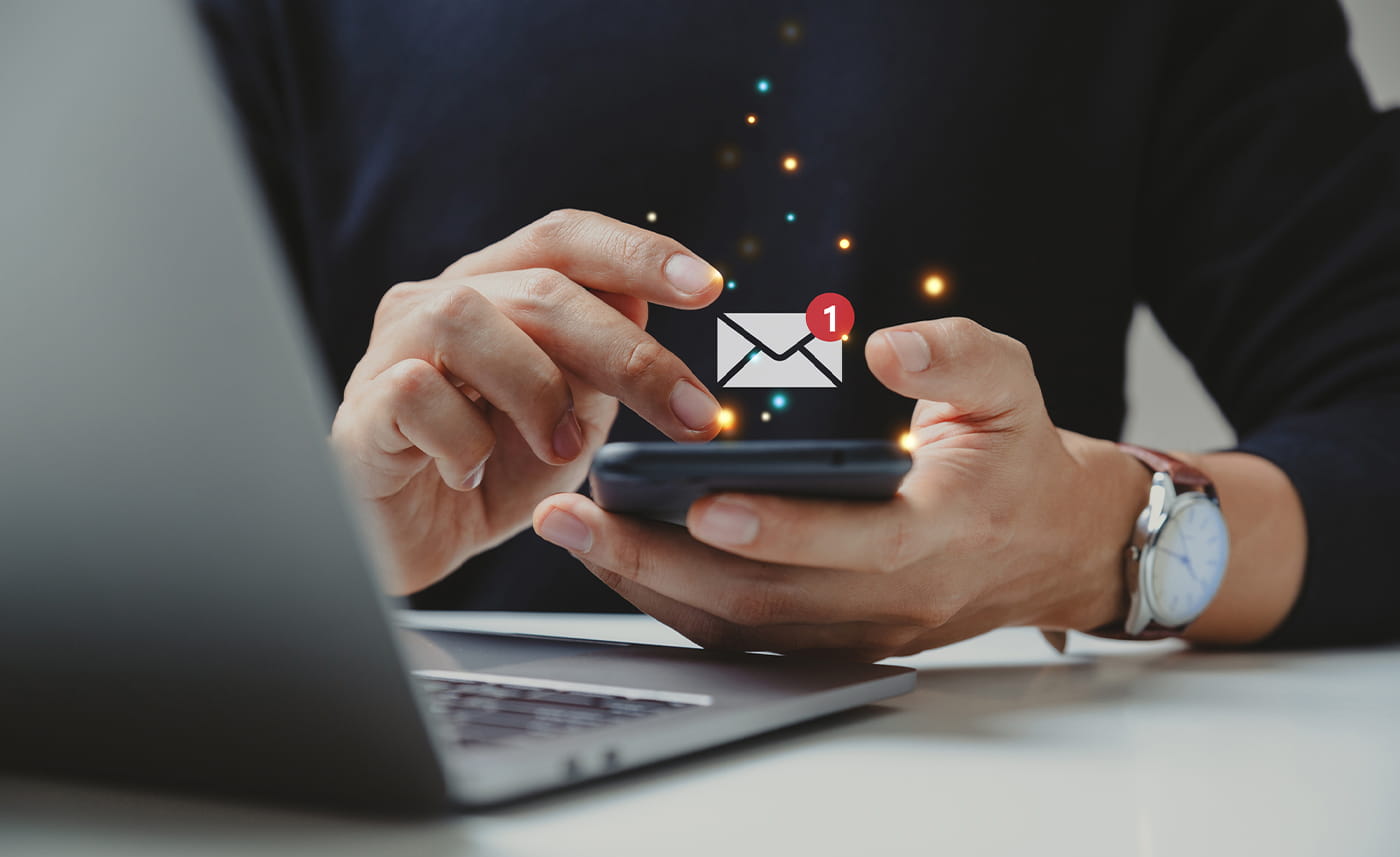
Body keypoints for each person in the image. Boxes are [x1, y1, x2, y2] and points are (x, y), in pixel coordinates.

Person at [196, 0, 1400, 658]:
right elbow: (91, 471)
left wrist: (1108, 542)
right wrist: (328, 550)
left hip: (994, 827)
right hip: (424, 826)